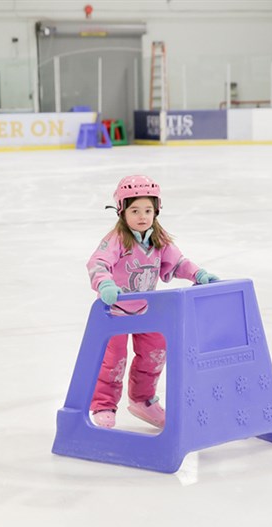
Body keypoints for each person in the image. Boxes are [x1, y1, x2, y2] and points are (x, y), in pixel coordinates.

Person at [86, 175, 219, 429]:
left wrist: (197, 274)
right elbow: (98, 262)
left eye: (148, 210)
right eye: (135, 210)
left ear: (156, 210)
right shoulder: (116, 239)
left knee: (155, 352)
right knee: (113, 360)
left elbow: (178, 262)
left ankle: (143, 400)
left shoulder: (158, 239)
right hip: (115, 311)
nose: (142, 216)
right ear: (122, 211)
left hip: (146, 309)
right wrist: (104, 283)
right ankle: (104, 404)